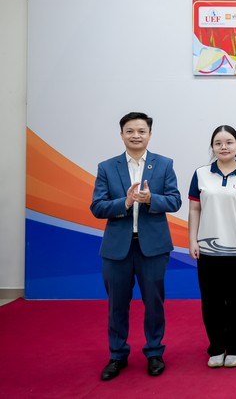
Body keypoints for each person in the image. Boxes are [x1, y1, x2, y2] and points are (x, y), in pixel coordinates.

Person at [90, 112, 182, 381]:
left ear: (150, 134)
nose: (136, 135)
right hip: (117, 249)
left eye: (141, 131)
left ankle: (154, 352)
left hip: (153, 248)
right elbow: (97, 207)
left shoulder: (164, 164)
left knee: (154, 303)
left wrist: (151, 199)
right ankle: (117, 355)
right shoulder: (107, 167)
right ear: (121, 135)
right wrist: (126, 202)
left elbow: (175, 201)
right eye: (130, 131)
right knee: (117, 305)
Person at [188, 125, 236, 368]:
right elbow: (194, 209)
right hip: (207, 251)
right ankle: (217, 347)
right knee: (212, 302)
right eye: (218, 143)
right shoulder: (201, 174)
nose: (224, 147)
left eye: (229, 142)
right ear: (212, 147)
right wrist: (192, 240)